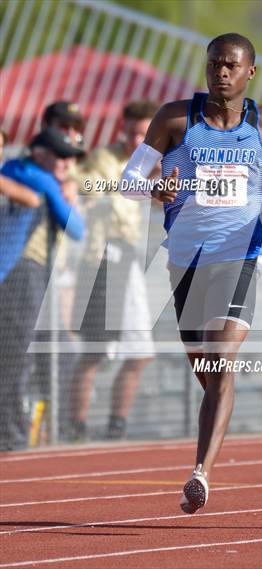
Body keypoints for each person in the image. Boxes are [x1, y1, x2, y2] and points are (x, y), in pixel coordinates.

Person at [121, 33, 262, 513]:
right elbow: (128, 182)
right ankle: (220, 414)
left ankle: (201, 472)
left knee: (222, 356)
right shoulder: (175, 118)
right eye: (214, 63)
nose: (221, 72)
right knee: (209, 369)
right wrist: (156, 190)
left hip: (240, 254)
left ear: (249, 73)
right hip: (185, 260)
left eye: (231, 65)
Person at [69, 101, 158, 441]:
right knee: (94, 353)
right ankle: (76, 427)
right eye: (132, 131)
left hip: (132, 263)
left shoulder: (154, 163)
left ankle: (115, 427)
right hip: (103, 261)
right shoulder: (104, 160)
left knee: (141, 353)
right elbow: (83, 185)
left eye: (144, 133)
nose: (137, 140)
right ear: (122, 129)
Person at [0, 128, 84, 450]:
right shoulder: (35, 176)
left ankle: (33, 431)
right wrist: (60, 195)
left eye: (70, 156)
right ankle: (12, 435)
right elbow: (75, 228)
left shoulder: (15, 171)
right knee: (13, 360)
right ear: (38, 153)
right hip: (15, 278)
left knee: (48, 356)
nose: (67, 162)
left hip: (20, 277)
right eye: (60, 155)